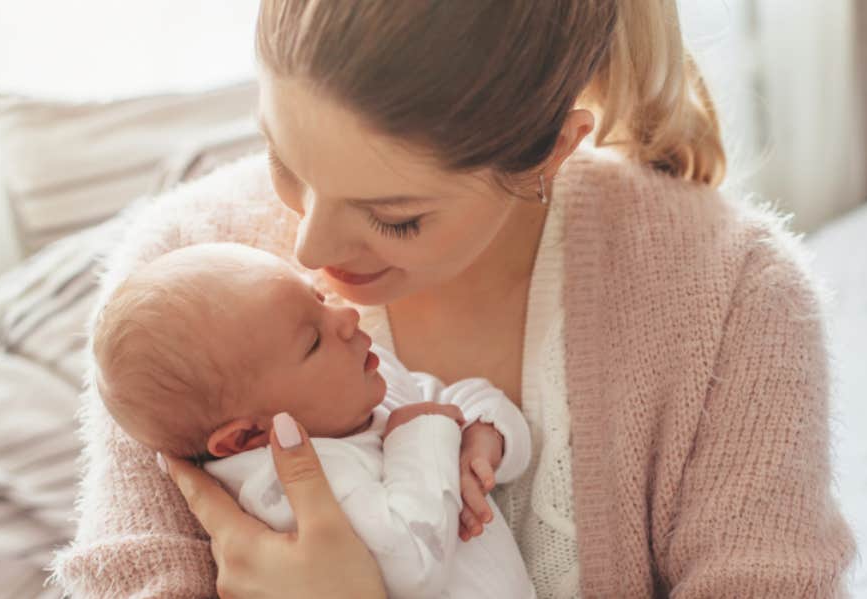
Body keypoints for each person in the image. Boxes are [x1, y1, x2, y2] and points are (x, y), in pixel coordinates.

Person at [52, 2, 856, 597]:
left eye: (395, 216)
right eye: (283, 158)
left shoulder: (734, 298)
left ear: (551, 151)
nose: (310, 252)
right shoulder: (175, 286)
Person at [90, 242, 536, 598]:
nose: (345, 317)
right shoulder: (287, 486)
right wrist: (421, 435)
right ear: (248, 434)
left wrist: (484, 433)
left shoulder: (360, 387)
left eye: (319, 298)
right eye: (312, 343)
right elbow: (413, 566)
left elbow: (451, 399)